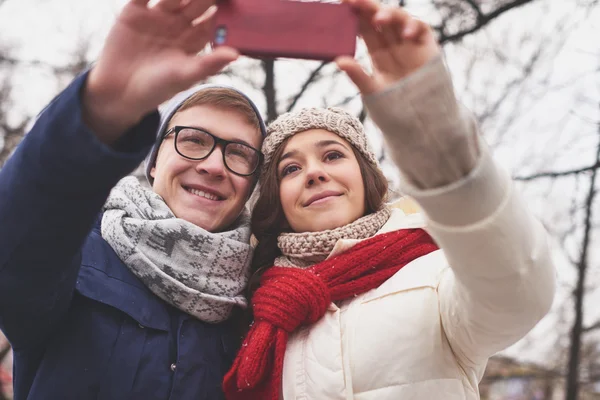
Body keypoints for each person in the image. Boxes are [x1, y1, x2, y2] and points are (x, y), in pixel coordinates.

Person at [223, 0, 556, 399]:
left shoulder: (438, 271)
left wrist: (438, 139)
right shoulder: (250, 303)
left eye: (332, 155)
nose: (313, 172)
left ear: (366, 178)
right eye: (291, 169)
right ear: (277, 199)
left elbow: (515, 293)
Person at [0, 0, 266, 399]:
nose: (214, 165)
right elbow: (17, 240)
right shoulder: (76, 255)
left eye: (239, 154)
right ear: (155, 162)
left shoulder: (258, 304)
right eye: (194, 140)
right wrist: (103, 107)